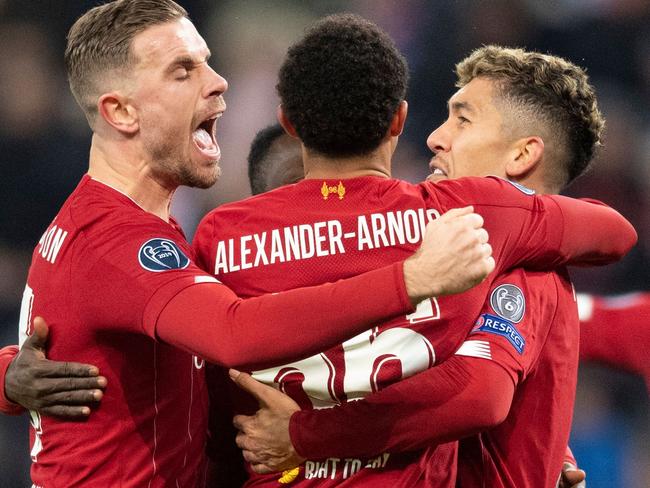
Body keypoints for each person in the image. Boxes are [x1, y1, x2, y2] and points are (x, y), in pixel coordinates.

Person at [0, 11, 634, 488]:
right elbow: (230, 333)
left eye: (463, 119)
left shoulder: (209, 235)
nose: (220, 83)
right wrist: (413, 276)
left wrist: (8, 375)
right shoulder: (461, 228)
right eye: (184, 70)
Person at [191, 20, 634, 488]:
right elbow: (613, 229)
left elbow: (481, 395)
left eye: (462, 118)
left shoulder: (220, 232)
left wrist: (303, 434)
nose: (436, 137)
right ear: (397, 121)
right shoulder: (455, 222)